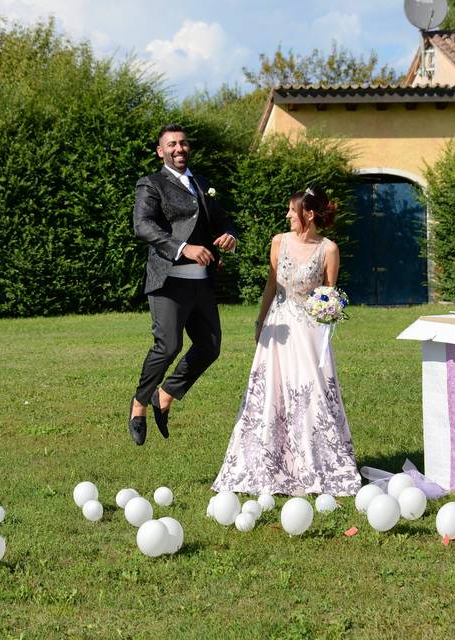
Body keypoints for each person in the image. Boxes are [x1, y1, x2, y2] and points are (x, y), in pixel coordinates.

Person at [211, 188, 361, 496]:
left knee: (313, 393)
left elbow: (329, 293)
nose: (288, 215)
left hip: (309, 334)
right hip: (278, 326)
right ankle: (268, 462)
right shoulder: (279, 242)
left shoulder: (329, 249)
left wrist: (328, 312)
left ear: (308, 214)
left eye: (293, 210)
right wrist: (259, 320)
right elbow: (271, 284)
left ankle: (315, 463)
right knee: (271, 393)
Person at [128, 124, 238, 446]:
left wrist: (229, 236)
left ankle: (165, 395)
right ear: (160, 151)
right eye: (171, 144)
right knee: (168, 346)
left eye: (183, 143)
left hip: (201, 283)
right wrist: (182, 248)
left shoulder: (202, 183)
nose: (179, 148)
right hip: (169, 282)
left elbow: (222, 220)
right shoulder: (151, 184)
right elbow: (142, 226)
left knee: (210, 346)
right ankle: (139, 404)